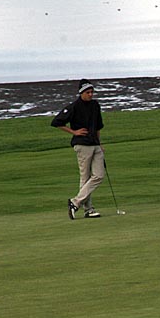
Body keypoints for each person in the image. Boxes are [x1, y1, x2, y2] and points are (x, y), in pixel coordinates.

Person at [51, 79, 105, 220]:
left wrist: (100, 143)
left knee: (99, 176)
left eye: (92, 92)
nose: (90, 94)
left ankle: (75, 202)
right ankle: (88, 210)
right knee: (85, 177)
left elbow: (98, 126)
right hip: (82, 145)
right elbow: (56, 122)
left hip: (95, 144)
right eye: (88, 92)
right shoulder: (74, 106)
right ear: (81, 93)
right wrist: (74, 132)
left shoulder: (95, 105)